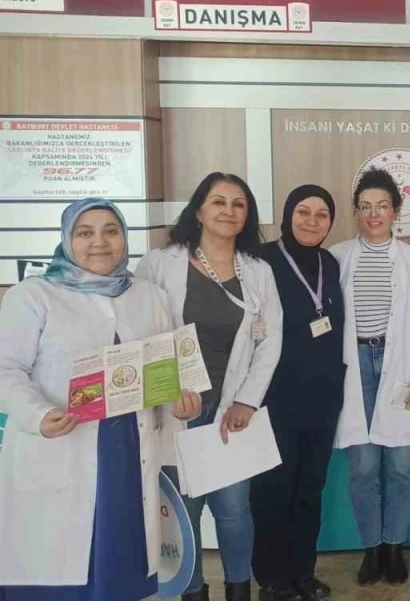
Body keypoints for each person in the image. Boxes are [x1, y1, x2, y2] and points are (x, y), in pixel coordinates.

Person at [0, 199, 202, 601]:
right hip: (61, 443)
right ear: (66, 239)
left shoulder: (148, 295)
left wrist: (180, 401)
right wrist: (38, 414)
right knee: (57, 569)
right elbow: (6, 368)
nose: (99, 242)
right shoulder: (33, 295)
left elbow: (166, 370)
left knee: (119, 562)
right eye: (85, 232)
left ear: (124, 238)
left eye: (111, 231)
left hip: (127, 452)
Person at [136, 173, 283, 601]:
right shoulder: (159, 264)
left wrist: (247, 401)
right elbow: (142, 336)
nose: (228, 211)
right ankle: (193, 591)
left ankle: (239, 590)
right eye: (219, 202)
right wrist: (168, 393)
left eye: (239, 204)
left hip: (229, 412)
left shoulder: (257, 271)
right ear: (199, 210)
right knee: (184, 512)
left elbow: (270, 342)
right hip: (175, 412)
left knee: (233, 510)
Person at [330, 169, 410, 588]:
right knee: (363, 467)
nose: (374, 214)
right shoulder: (338, 256)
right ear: (356, 211)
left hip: (403, 366)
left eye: (382, 206)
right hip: (354, 365)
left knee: (404, 465)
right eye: (365, 207)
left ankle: (394, 546)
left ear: (396, 210)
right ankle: (371, 547)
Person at [251, 186, 346, 601]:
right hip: (274, 399)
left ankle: (303, 573)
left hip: (322, 400)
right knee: (273, 491)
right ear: (288, 215)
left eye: (322, 215)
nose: (312, 221)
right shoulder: (261, 261)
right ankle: (272, 579)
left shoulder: (330, 263)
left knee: (310, 491)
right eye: (303, 212)